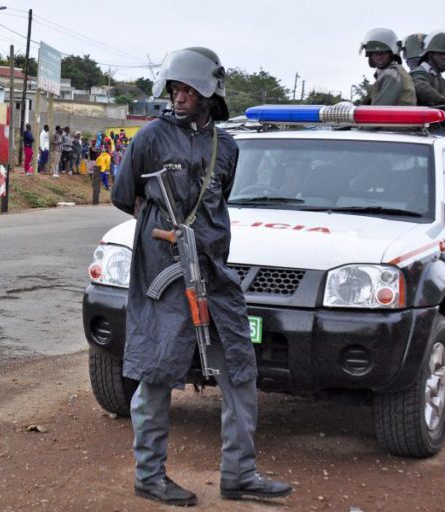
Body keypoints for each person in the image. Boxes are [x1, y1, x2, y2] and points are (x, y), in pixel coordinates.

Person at [111, 47, 292, 506]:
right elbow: (122, 194)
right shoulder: (151, 138)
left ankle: (240, 474)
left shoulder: (226, 147)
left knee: (239, 366)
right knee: (156, 370)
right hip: (164, 271)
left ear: (210, 94)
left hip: (214, 268)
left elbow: (219, 200)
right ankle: (149, 475)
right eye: (175, 88)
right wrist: (161, 232)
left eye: (190, 89)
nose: (180, 97)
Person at [411, 30, 445, 134]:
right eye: (440, 54)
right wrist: (441, 101)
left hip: (436, 134)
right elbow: (420, 87)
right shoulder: (418, 73)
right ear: (430, 55)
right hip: (419, 133)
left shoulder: (443, 83)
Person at [359, 28, 416, 106]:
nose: (379, 57)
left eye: (384, 53)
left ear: (392, 54)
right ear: (370, 55)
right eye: (375, 53)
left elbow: (379, 110)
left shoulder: (391, 74)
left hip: (395, 117)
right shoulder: (393, 72)